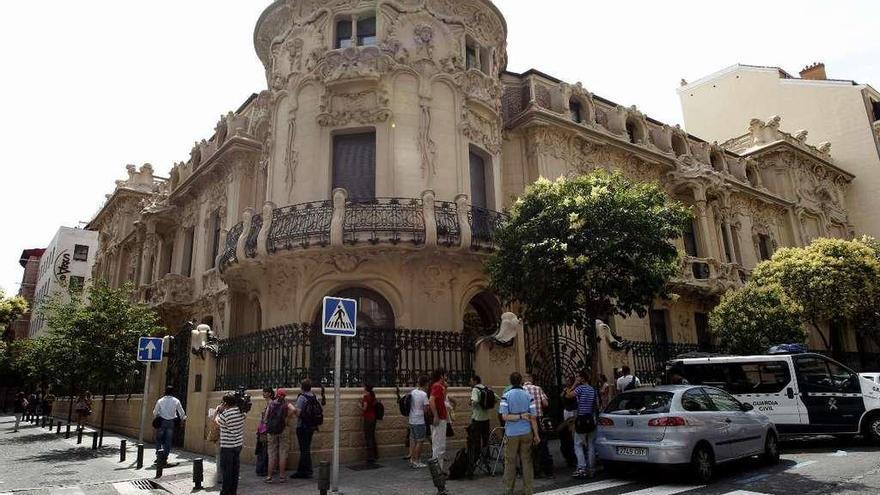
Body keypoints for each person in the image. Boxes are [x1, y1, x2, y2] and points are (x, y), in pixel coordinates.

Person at [499, 372, 540, 495]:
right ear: (521, 381)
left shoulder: (506, 396)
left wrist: (518, 416)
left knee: (510, 462)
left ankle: (508, 490)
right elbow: (533, 417)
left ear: (510, 382)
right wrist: (536, 434)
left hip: (511, 433)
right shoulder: (528, 396)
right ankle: (528, 490)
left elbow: (504, 417)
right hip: (526, 432)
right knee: (527, 461)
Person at [566, 369, 598, 478]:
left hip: (582, 419)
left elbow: (568, 395)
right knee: (591, 444)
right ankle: (592, 468)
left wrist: (574, 384)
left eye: (578, 377)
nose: (577, 378)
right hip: (590, 418)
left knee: (578, 444)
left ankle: (581, 467)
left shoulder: (580, 388)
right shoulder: (592, 389)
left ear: (582, 378)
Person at [215, 393, 246, 495]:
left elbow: (216, 422)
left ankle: (225, 492)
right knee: (235, 470)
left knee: (226, 471)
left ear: (225, 403)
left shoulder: (225, 415)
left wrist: (218, 411)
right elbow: (244, 415)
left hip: (227, 447)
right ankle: (233, 491)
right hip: (238, 445)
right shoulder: (241, 412)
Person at [523, 373, 552, 478]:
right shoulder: (538, 389)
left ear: (524, 379)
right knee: (542, 445)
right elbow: (546, 404)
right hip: (538, 419)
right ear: (531, 379)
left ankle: (533, 470)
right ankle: (547, 470)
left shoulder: (521, 390)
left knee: (528, 446)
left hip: (526, 420)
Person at [265, 388, 296, 483]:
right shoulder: (286, 404)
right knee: (283, 453)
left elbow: (265, 418)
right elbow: (294, 409)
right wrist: (287, 416)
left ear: (276, 395)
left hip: (272, 431)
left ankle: (269, 477)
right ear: (284, 396)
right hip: (284, 429)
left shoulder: (271, 404)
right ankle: (282, 476)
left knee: (271, 453)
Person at [291, 379, 318, 479]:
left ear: (302, 387)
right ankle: (304, 470)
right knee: (306, 448)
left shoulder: (302, 397)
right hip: (311, 426)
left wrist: (292, 409)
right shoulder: (313, 396)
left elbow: (298, 412)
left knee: (304, 449)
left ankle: (305, 471)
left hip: (302, 426)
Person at [153, 386, 187, 466]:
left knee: (159, 440)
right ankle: (164, 458)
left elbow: (155, 412)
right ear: (173, 392)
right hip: (171, 423)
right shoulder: (176, 401)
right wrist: (183, 419)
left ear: (165, 392)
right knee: (168, 441)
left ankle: (159, 456)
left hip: (161, 422)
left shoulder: (160, 401)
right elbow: (181, 413)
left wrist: (158, 415)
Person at [467, 375, 492, 476]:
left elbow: (475, 401)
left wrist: (471, 402)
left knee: (475, 442)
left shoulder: (475, 390)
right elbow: (496, 398)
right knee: (485, 440)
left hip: (477, 419)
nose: (470, 382)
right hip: (486, 419)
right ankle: (486, 459)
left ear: (475, 381)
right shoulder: (487, 389)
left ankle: (474, 463)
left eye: (471, 380)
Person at [428, 368, 449, 471]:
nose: (446, 377)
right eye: (445, 375)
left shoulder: (440, 387)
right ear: (441, 376)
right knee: (439, 444)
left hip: (441, 417)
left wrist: (445, 389)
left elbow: (442, 400)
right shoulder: (436, 386)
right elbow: (431, 400)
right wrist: (436, 415)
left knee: (439, 444)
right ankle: (437, 470)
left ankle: (438, 468)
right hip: (439, 418)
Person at [408, 375, 429, 468]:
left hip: (412, 420)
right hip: (419, 421)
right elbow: (425, 409)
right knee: (420, 441)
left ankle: (412, 459)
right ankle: (417, 461)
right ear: (426, 384)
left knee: (413, 441)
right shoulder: (424, 395)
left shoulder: (413, 392)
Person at [558, 376, 577, 468]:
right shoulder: (566, 389)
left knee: (572, 428)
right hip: (567, 410)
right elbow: (562, 396)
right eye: (566, 380)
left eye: (568, 380)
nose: (567, 381)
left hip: (572, 410)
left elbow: (568, 396)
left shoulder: (574, 390)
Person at [255, 388, 274, 477]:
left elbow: (265, 419)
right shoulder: (269, 403)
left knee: (263, 449)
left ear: (270, 394)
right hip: (264, 429)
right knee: (264, 449)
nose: (263, 394)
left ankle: (261, 468)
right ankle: (262, 468)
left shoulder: (270, 403)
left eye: (265, 392)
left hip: (264, 430)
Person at [360, 383, 379, 464]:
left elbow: (364, 408)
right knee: (372, 436)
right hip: (373, 418)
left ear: (366, 389)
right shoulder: (373, 396)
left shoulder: (366, 397)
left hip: (368, 418)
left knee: (368, 437)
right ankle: (375, 454)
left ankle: (370, 457)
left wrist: (358, 406)